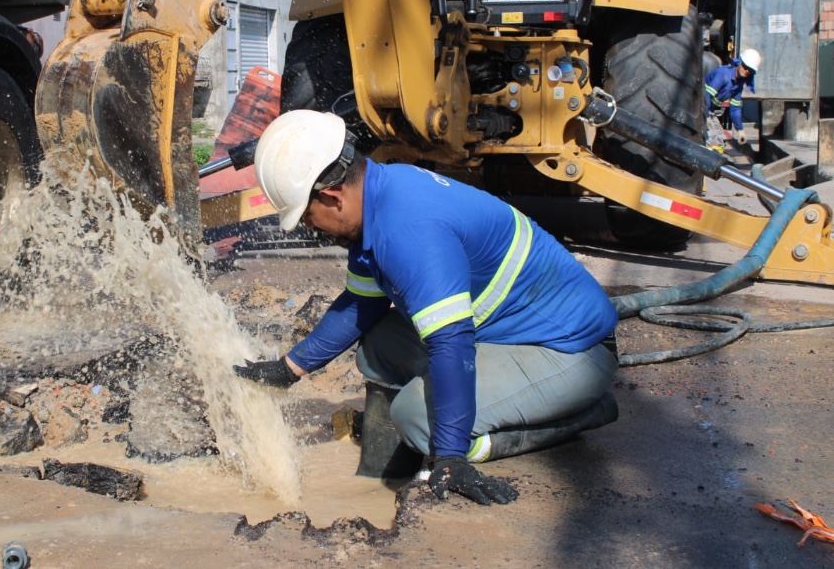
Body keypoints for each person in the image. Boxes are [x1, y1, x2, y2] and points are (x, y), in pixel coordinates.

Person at [234, 110, 619, 506]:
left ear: (332, 197)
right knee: (379, 343)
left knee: (416, 417)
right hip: (505, 334)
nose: (311, 228)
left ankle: (579, 414)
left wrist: (449, 456)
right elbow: (360, 305)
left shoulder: (408, 231)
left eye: (307, 217)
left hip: (572, 353)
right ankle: (385, 468)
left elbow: (451, 345)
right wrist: (289, 368)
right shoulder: (380, 197)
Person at [704, 48, 761, 147]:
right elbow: (706, 94)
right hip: (699, 107)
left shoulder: (738, 85)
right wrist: (706, 115)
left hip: (708, 111)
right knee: (711, 141)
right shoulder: (723, 74)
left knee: (720, 142)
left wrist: (740, 130)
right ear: (739, 63)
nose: (746, 71)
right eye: (745, 66)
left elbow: (735, 109)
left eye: (750, 70)